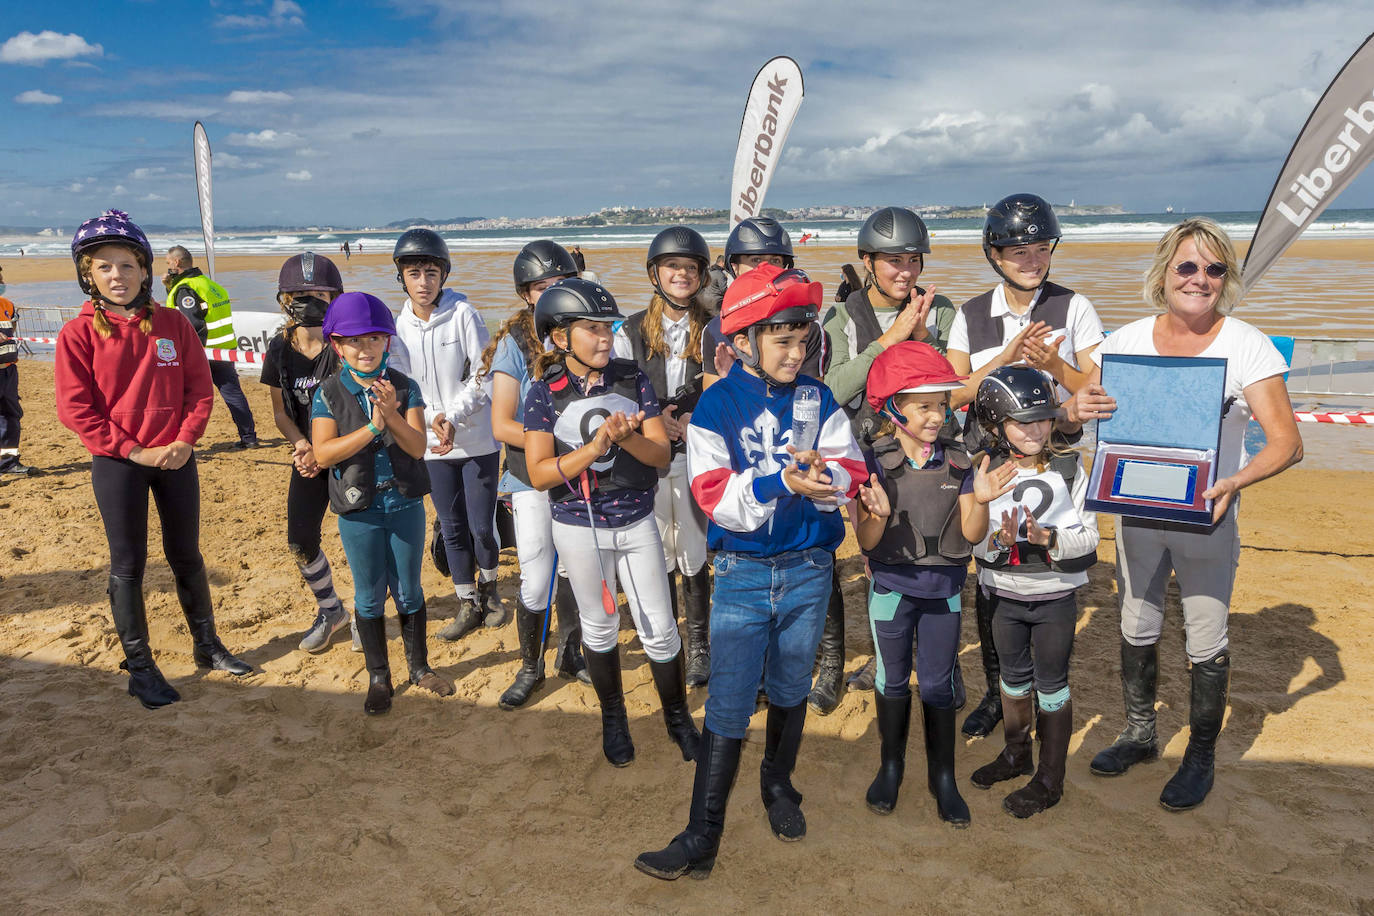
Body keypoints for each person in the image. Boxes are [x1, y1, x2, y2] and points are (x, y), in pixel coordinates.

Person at [635, 263, 865, 880]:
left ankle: (778, 785)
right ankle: (701, 835)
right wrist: (780, 480)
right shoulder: (716, 404)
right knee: (730, 704)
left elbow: (853, 469)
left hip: (811, 569)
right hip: (740, 572)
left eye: (802, 339)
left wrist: (827, 480)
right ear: (743, 343)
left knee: (791, 686)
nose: (795, 353)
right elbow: (714, 495)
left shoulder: (818, 398)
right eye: (781, 341)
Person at [1070, 217, 1302, 811]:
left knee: (1205, 636)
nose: (1199, 279)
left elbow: (1286, 443)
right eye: (1187, 266)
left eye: (1214, 268)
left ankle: (1200, 756)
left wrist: (1235, 482)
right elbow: (1083, 411)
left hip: (1207, 514)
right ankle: (1140, 734)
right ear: (1164, 273)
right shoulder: (1123, 342)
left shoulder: (1245, 343)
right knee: (1134, 622)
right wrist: (1078, 402)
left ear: (1225, 279)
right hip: (1134, 510)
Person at [55, 210, 252, 709]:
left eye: (126, 265)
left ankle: (207, 646)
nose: (116, 275)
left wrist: (186, 440)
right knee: (129, 563)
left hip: (176, 457)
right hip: (118, 462)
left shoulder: (173, 324)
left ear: (146, 271)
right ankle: (140, 668)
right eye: (104, 267)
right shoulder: (77, 334)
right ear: (88, 275)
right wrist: (133, 449)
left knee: (186, 553)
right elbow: (76, 409)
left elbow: (199, 389)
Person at [946, 193, 1106, 740]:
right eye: (1018, 249)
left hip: (1053, 455)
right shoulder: (970, 314)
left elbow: (1097, 391)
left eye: (1041, 247)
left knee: (1049, 567)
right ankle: (999, 693)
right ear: (994, 254)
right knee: (991, 574)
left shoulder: (1074, 307)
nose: (1031, 259)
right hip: (987, 458)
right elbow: (954, 394)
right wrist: (1008, 356)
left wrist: (1053, 363)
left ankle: (1045, 691)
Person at [523, 277, 698, 766]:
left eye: (608, 328)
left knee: (661, 629)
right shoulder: (542, 392)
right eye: (592, 330)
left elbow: (661, 454)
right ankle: (614, 717)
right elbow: (539, 474)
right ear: (561, 338)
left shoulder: (633, 378)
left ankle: (678, 717)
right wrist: (594, 449)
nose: (605, 338)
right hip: (579, 527)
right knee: (598, 628)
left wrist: (624, 441)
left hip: (637, 519)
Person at [852, 342, 1014, 826]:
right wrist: (877, 516)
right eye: (924, 406)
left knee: (939, 684)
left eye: (942, 405)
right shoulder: (873, 462)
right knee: (892, 680)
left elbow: (971, 535)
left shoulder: (962, 462)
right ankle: (891, 766)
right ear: (893, 408)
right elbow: (865, 537)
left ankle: (944, 778)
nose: (937, 415)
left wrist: (981, 500)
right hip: (891, 592)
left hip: (943, 593)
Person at [817, 207, 963, 711]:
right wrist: (889, 340)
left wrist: (921, 340)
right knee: (879, 551)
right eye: (892, 261)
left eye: (912, 261)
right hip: (868, 449)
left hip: (932, 447)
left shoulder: (940, 309)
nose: (905, 272)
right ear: (867, 261)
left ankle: (945, 662)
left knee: (941, 545)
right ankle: (887, 656)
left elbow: (955, 385)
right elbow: (831, 389)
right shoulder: (840, 317)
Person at [310, 292, 455, 715]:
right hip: (359, 509)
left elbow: (415, 447)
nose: (366, 349)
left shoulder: (405, 387)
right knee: (369, 595)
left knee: (410, 590)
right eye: (354, 341)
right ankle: (379, 676)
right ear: (337, 345)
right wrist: (373, 426)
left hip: (404, 502)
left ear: (388, 342)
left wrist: (391, 414)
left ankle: (419, 667)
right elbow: (323, 454)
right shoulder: (330, 392)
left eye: (375, 339)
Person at [966, 366, 1099, 818]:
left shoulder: (1068, 466)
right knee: (1011, 678)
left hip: (1055, 599)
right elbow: (973, 538)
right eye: (1023, 421)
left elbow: (1090, 537)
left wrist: (1051, 540)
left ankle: (1050, 778)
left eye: (1044, 418)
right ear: (996, 424)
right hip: (1003, 595)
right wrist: (996, 544)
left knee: (1052, 685)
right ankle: (1016, 752)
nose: (1037, 429)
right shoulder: (984, 469)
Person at [476, 240, 589, 709]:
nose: (552, 293)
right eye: (541, 287)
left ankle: (570, 653)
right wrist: (558, 443)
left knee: (574, 569)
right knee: (536, 575)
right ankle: (530, 666)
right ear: (526, 294)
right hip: (530, 475)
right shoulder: (514, 343)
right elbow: (502, 423)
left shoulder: (586, 334)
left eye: (561, 284)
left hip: (578, 474)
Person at [389, 229, 505, 640]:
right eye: (415, 272)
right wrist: (430, 420)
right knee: (450, 525)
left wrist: (452, 416)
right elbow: (403, 383)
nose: (423, 282)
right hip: (431, 444)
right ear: (402, 277)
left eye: (431, 272)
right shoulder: (396, 327)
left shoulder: (464, 314)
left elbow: (484, 373)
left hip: (476, 440)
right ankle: (466, 600)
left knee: (481, 525)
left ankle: (491, 590)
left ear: (444, 275)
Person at [613, 226, 713, 688]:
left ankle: (701, 644)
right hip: (647, 456)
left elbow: (723, 385)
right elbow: (617, 392)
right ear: (655, 273)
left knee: (693, 548)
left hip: (694, 454)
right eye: (673, 266)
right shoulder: (628, 331)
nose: (681, 274)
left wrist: (692, 421)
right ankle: (667, 637)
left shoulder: (713, 328)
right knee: (658, 549)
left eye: (690, 268)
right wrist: (656, 422)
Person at [259, 252, 351, 653]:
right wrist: (301, 446)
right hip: (308, 459)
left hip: (352, 454)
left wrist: (326, 449)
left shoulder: (347, 343)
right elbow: (281, 412)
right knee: (300, 539)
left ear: (335, 296)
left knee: (361, 539)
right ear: (284, 299)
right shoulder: (279, 349)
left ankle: (368, 614)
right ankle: (331, 611)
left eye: (318, 293)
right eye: (299, 293)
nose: (308, 299)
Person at [162, 246, 259, 448]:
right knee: (233, 394)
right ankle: (249, 438)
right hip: (223, 350)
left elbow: (193, 324)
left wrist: (191, 354)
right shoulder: (210, 285)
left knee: (182, 396)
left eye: (168, 262)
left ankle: (180, 437)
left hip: (203, 353)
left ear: (177, 263)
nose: (167, 266)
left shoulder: (186, 288)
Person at [0, 265, 34, 476]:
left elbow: (11, 329)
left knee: (11, 415)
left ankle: (8, 462)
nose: (2, 282)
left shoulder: (7, 305)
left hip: (8, 371)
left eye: (1, 277)